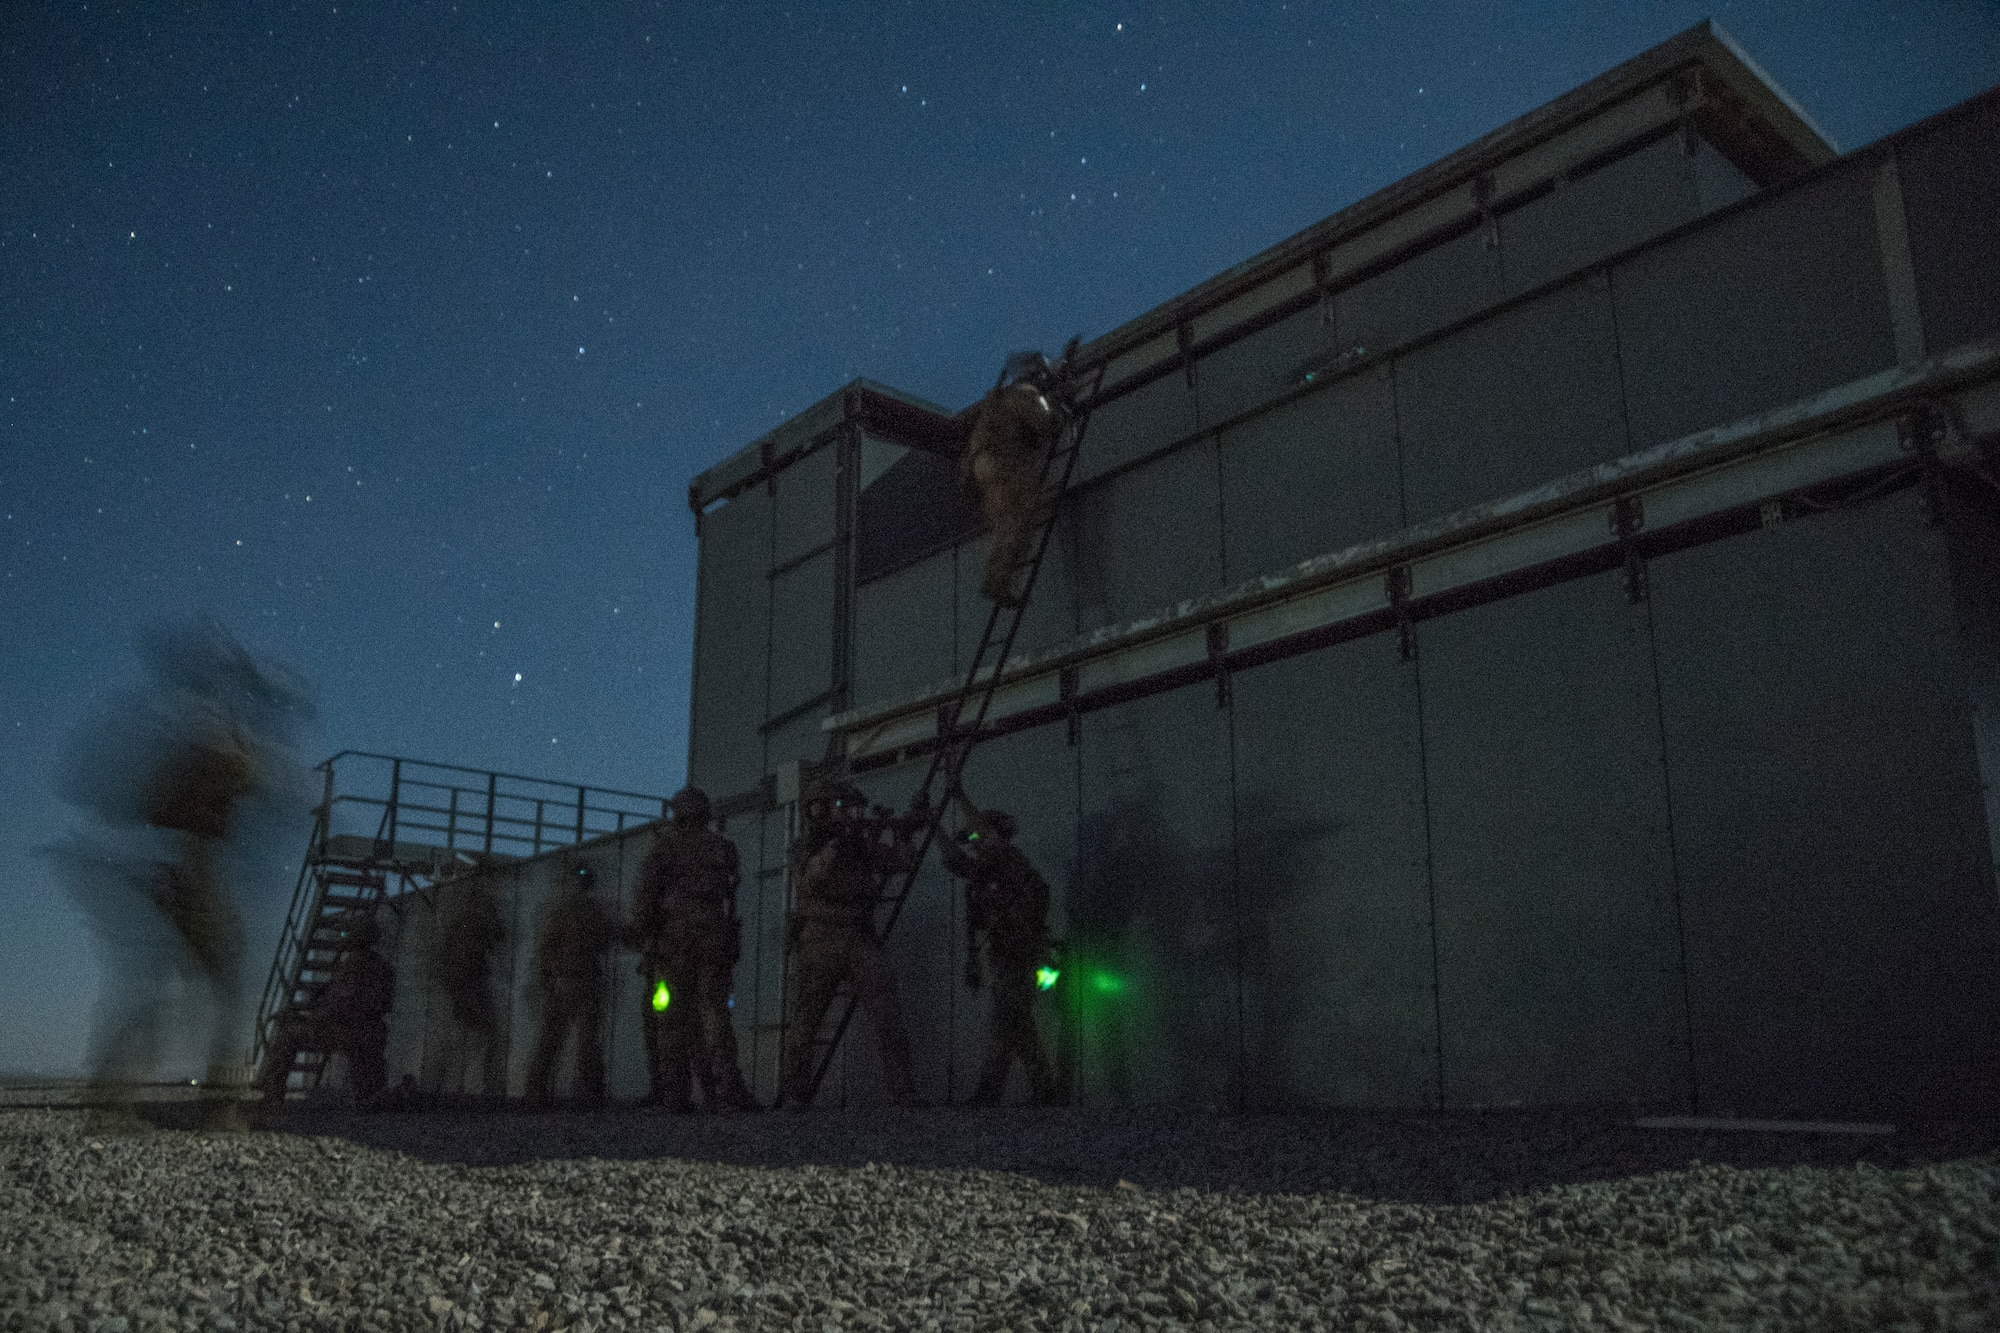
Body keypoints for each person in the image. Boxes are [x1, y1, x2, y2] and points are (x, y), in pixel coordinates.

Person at [778, 779, 920, 1110]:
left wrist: (905, 832)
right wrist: (837, 844)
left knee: (888, 1014)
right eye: (838, 806)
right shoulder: (806, 846)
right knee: (806, 1019)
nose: (847, 814)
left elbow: (901, 861)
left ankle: (904, 1091)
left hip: (858, 937)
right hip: (821, 938)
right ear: (818, 809)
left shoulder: (859, 842)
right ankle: (795, 1094)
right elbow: (812, 879)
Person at [631, 787, 757, 1111]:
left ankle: (675, 1094)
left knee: (670, 1016)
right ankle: (727, 1090)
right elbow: (731, 895)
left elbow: (645, 898)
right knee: (714, 1012)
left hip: (675, 941)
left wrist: (647, 934)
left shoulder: (665, 848)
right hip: (714, 937)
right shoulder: (723, 847)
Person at [941, 796, 1060, 1105]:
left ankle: (1001, 1093)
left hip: (1021, 953)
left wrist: (958, 793)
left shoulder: (1010, 861)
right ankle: (1033, 1092)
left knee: (1013, 1021)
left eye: (981, 836)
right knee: (1011, 1023)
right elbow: (958, 864)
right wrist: (937, 828)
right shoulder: (988, 871)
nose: (976, 843)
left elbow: (971, 859)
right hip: (1005, 953)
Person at [960, 350, 1072, 606]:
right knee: (1021, 520)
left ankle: (997, 578)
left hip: (984, 469)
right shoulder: (1024, 394)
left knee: (1003, 527)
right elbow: (1045, 422)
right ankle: (1000, 583)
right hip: (1006, 464)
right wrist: (1060, 406)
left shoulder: (997, 401)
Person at [259, 910, 395, 1107]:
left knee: (289, 1034)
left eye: (346, 934)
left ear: (356, 937)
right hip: (372, 1031)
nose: (343, 938)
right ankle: (369, 1095)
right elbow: (384, 1003)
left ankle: (273, 1094)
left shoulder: (352, 966)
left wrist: (306, 1018)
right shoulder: (382, 966)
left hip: (346, 1031)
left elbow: (337, 1007)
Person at [525, 861, 616, 1106]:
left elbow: (546, 947)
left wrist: (547, 978)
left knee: (553, 1038)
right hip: (584, 979)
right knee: (587, 1041)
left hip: (565, 980)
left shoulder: (561, 909)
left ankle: (537, 1092)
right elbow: (606, 940)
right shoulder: (594, 910)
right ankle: (591, 1092)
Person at [433, 878, 508, 1098]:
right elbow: (497, 935)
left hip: (461, 983)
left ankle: (451, 1087)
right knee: (478, 1035)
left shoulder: (461, 922)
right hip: (468, 983)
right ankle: (471, 1089)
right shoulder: (475, 922)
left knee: (462, 1035)